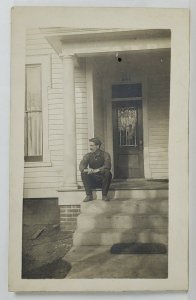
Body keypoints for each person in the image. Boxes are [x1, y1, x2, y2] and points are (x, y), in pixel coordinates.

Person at [79, 138, 112, 202]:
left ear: (97, 146)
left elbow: (108, 166)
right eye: (90, 145)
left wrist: (96, 170)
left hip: (102, 181)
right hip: (92, 181)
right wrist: (87, 170)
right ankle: (89, 195)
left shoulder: (105, 154)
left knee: (108, 173)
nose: (90, 147)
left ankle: (104, 195)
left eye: (92, 145)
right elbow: (81, 166)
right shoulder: (88, 155)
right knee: (83, 173)